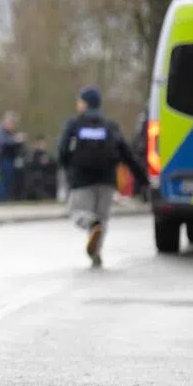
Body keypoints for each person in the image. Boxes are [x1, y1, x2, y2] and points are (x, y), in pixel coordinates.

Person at [57, 86, 147, 267]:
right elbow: (127, 154)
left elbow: (62, 149)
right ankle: (96, 254)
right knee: (102, 218)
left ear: (85, 103)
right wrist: (143, 179)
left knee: (78, 213)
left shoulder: (74, 123)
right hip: (107, 179)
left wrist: (69, 169)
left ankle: (92, 225)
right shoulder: (110, 126)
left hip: (82, 178)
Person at [0, 112, 26, 201]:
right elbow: (3, 142)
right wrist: (15, 139)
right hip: (3, 160)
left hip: (10, 160)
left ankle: (7, 199)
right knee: (3, 182)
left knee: (9, 182)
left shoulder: (10, 133)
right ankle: (2, 200)